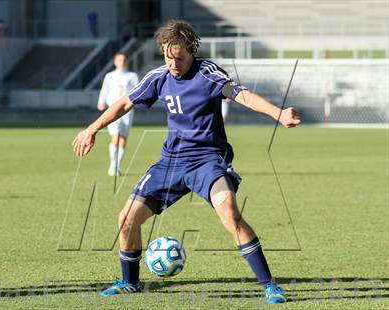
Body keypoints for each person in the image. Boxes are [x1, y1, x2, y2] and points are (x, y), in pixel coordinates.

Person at [72, 20, 300, 304]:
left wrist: (278, 114)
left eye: (179, 58)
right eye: (168, 57)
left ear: (191, 51)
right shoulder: (158, 77)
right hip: (170, 163)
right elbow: (124, 103)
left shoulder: (208, 73)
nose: (173, 64)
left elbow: (242, 95)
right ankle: (129, 282)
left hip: (207, 161)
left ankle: (270, 285)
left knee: (229, 212)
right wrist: (91, 128)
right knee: (126, 219)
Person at [97, 52, 139, 176]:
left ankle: (118, 165)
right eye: (119, 60)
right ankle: (113, 164)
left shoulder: (132, 75)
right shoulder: (109, 76)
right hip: (113, 110)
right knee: (115, 136)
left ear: (127, 61)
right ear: (115, 62)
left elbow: (136, 91)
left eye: (124, 60)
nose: (122, 62)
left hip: (127, 111)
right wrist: (101, 102)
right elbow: (104, 90)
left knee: (123, 138)